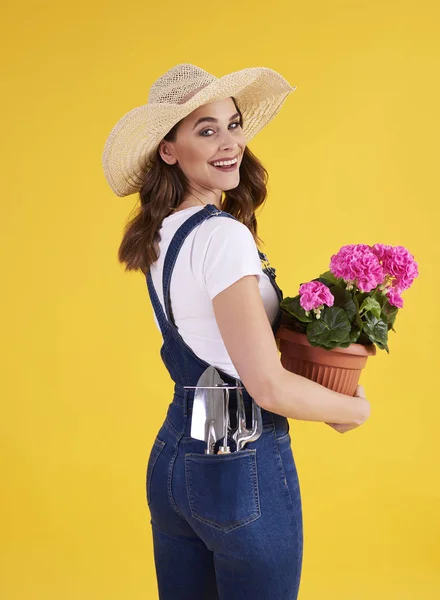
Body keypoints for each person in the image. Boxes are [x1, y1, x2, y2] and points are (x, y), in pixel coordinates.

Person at [102, 63, 371, 600]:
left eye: (234, 124)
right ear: (168, 149)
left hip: (178, 453)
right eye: (206, 130)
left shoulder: (161, 235)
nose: (230, 144)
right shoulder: (222, 238)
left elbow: (213, 352)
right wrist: (352, 409)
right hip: (239, 460)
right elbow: (265, 385)